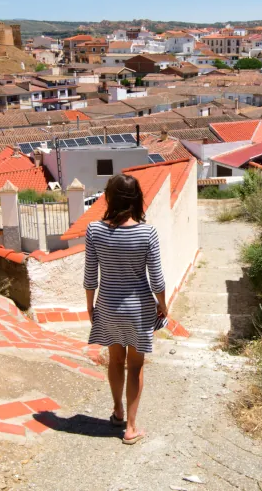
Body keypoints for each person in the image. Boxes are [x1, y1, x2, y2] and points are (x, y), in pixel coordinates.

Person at [84, 174, 167, 445]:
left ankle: (118, 411)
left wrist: (90, 306)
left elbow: (90, 276)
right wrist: (163, 305)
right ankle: (131, 428)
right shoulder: (147, 232)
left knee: (116, 360)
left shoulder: (94, 230)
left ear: (110, 197)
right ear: (136, 199)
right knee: (136, 365)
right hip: (139, 310)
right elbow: (157, 280)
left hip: (108, 306)